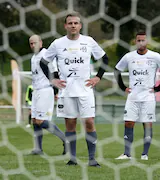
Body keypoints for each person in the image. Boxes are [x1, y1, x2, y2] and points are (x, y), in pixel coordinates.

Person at [40, 12, 109, 166]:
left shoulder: (88, 41)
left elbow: (104, 58)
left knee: (89, 122)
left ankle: (92, 159)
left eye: (76, 23)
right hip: (66, 91)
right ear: (65, 26)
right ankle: (72, 159)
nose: (73, 25)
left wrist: (98, 77)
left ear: (80, 25)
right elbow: (43, 62)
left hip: (85, 90)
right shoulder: (58, 43)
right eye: (70, 23)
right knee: (70, 124)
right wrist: (53, 80)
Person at [114, 31, 160, 160]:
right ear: (135, 42)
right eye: (138, 40)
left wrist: (157, 88)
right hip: (133, 97)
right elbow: (117, 70)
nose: (141, 43)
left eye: (143, 40)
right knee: (128, 123)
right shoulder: (129, 57)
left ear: (147, 42)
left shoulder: (155, 56)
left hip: (148, 97)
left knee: (147, 123)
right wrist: (123, 87)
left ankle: (144, 154)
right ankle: (127, 154)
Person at [29, 34, 66, 155]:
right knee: (35, 120)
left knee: (40, 121)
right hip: (36, 91)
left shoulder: (46, 54)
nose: (33, 45)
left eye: (35, 42)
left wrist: (56, 91)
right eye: (31, 43)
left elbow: (55, 72)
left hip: (45, 90)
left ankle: (66, 140)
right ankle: (38, 149)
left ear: (41, 42)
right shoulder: (33, 57)